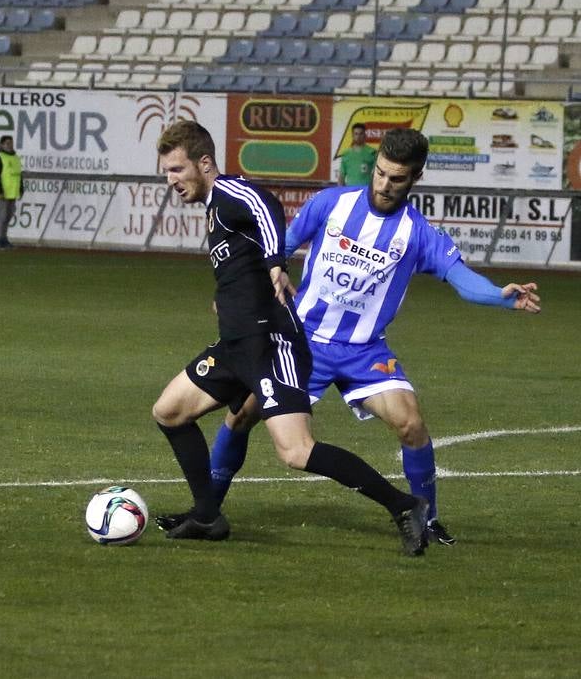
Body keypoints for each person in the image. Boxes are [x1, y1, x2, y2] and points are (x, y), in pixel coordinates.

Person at [209, 128, 541, 546]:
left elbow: (462, 280)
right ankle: (208, 509)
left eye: (396, 178)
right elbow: (277, 249)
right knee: (242, 412)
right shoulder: (331, 203)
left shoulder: (419, 234)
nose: (384, 184)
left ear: (415, 178)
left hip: (363, 351)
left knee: (411, 423)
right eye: (380, 173)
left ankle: (428, 519)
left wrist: (500, 296)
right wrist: (240, 295)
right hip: (300, 341)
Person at [152, 119, 430, 556]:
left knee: (296, 452)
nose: (170, 181)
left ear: (203, 163)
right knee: (169, 411)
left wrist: (276, 263)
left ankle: (403, 505)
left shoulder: (230, 192)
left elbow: (265, 205)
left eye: (175, 170)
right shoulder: (214, 206)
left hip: (271, 344)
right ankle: (207, 515)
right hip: (235, 346)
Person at [0, 135, 23, 251]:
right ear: (2, 145)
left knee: (8, 216)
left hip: (12, 192)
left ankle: (4, 239)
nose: (10, 145)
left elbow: (19, 175)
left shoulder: (16, 157)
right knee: (2, 216)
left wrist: (21, 188)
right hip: (3, 193)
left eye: (11, 143)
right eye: (7, 143)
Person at [338, 122, 377, 186]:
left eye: (361, 134)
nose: (358, 136)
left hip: (366, 191)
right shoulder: (346, 154)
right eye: (356, 134)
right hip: (350, 191)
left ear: (365, 135)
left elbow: (377, 175)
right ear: (352, 136)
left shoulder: (372, 152)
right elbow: (341, 176)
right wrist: (341, 191)